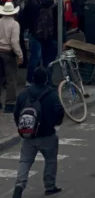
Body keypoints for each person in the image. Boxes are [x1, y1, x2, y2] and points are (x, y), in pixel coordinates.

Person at [12, 67, 64, 198]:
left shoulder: (24, 94)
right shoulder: (51, 94)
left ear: (33, 79)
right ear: (46, 79)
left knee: (25, 161)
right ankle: (50, 186)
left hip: (29, 135)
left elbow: (16, 112)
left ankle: (19, 185)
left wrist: (22, 127)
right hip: (47, 135)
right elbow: (59, 110)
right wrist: (56, 122)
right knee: (50, 160)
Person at [19, 0, 51, 74]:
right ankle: (30, 78)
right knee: (36, 56)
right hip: (34, 33)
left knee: (38, 55)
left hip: (37, 33)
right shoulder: (34, 4)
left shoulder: (37, 2)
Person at [0, 2, 24, 112]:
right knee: (11, 80)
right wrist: (20, 55)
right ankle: (9, 104)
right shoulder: (14, 24)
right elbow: (14, 41)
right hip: (8, 53)